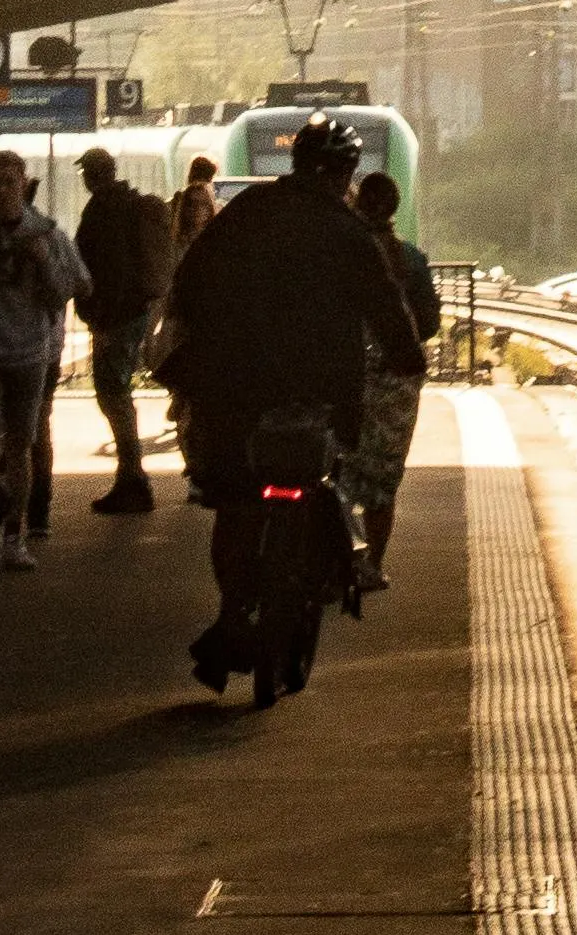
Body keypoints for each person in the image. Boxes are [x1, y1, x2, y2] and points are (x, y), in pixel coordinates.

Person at [159, 122, 420, 693]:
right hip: (318, 394)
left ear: (295, 164)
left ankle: (232, 613)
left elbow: (192, 276)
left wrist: (187, 353)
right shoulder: (348, 230)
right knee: (323, 475)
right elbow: (386, 305)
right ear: (346, 175)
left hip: (236, 390)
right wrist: (408, 359)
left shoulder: (249, 209)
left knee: (235, 502)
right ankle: (332, 567)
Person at [0, 148, 84, 566]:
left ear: (23, 185)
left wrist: (44, 263)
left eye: (10, 182)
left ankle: (15, 535)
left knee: (20, 445)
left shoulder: (46, 233)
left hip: (29, 354)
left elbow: (76, 286)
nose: (1, 191)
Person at [342, 167, 441, 580]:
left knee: (339, 471)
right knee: (384, 477)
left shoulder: (340, 252)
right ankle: (374, 565)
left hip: (344, 373)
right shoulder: (411, 259)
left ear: (357, 203)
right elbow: (430, 324)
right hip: (396, 381)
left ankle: (339, 554)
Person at [72, 147, 176, 516]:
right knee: (116, 394)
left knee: (113, 394)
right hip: (131, 313)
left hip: (115, 317)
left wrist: (102, 319)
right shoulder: (126, 204)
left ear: (94, 175)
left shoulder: (105, 210)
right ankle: (131, 477)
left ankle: (132, 478)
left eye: (88, 171)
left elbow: (110, 268)